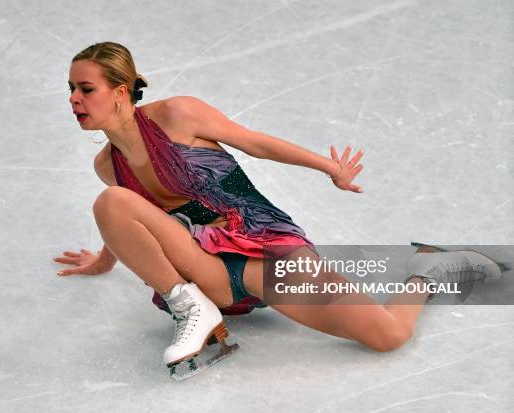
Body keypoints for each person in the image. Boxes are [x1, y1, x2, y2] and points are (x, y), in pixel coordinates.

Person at [54, 42, 504, 379]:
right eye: (71, 88)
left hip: (264, 250)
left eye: (85, 88)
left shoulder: (177, 114)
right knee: (112, 200)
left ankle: (429, 267)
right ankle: (193, 310)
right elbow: (129, 220)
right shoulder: (106, 166)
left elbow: (255, 142)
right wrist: (103, 260)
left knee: (388, 336)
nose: (73, 98)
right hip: (205, 271)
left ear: (119, 90)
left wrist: (329, 167)